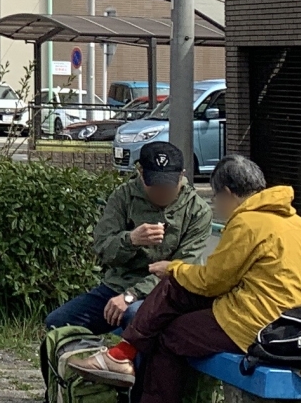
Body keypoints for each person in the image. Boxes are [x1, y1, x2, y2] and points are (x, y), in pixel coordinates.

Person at [63, 154, 301, 403]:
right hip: (289, 322)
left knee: (170, 333)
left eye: (216, 198)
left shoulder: (248, 222)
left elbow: (212, 281)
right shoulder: (296, 222)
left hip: (254, 323)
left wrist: (172, 268)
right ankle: (123, 357)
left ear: (228, 193)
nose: (216, 206)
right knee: (176, 290)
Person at [43, 143, 211, 333]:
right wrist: (131, 240)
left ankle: (130, 360)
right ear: (141, 173)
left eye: (168, 185)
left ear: (182, 175)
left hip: (165, 292)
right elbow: (102, 249)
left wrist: (132, 295)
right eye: (154, 185)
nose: (161, 192)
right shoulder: (123, 196)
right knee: (58, 322)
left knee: (135, 315)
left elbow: (182, 270)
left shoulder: (197, 210)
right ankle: (90, 359)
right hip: (118, 285)